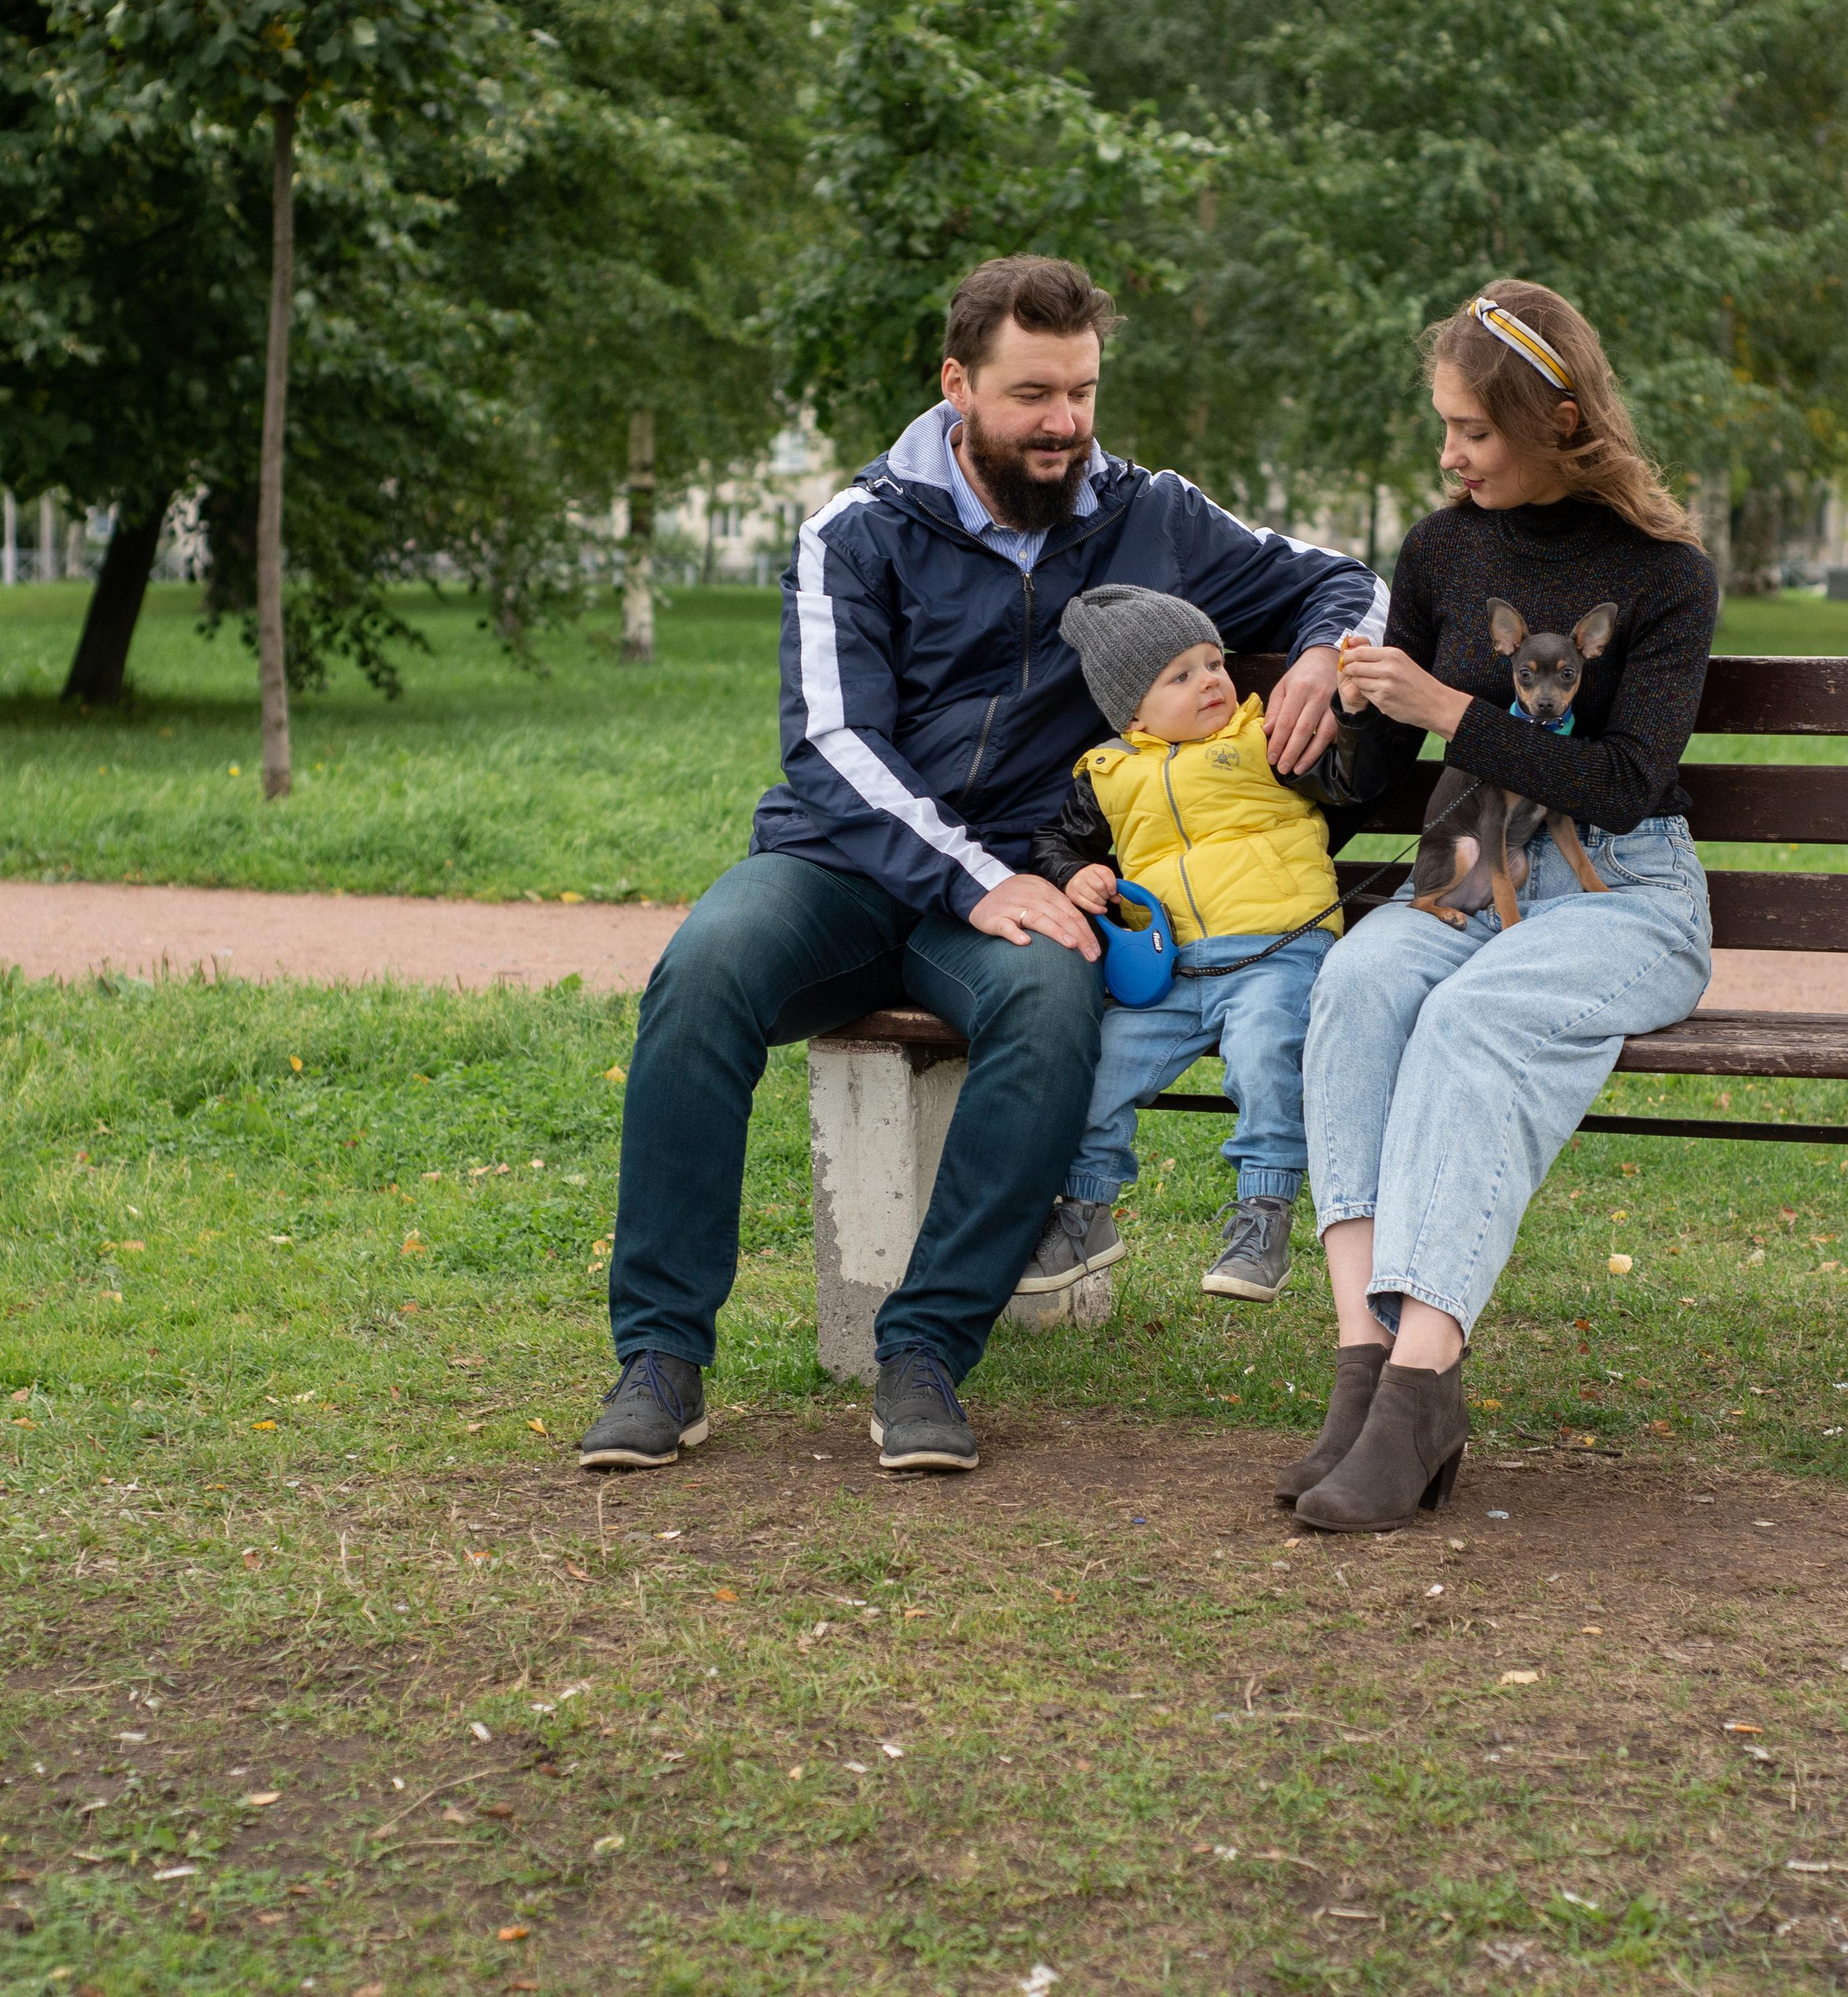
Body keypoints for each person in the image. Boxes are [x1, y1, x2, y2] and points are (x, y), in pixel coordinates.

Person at [581, 253, 1386, 1476]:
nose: (1064, 423)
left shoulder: (1154, 514)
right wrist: (970, 874)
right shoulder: (855, 534)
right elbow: (831, 743)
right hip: (843, 867)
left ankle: (926, 1351)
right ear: (957, 383)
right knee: (703, 973)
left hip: (1029, 882)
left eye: (1082, 390)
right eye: (1031, 395)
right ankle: (659, 1358)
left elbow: (1350, 578)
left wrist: (1326, 648)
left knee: (1054, 1003)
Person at [1278, 279, 1717, 1533]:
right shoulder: (1439, 548)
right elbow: (1376, 783)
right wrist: (1343, 706)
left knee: (1470, 1014)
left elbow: (1629, 782)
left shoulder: (1667, 572)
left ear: (1555, 418)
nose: (1449, 451)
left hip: (1622, 893)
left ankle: (1422, 1391)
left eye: (1473, 427)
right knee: (1360, 980)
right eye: (1445, 424)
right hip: (1467, 873)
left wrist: (1445, 706)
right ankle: (1361, 1370)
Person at [1021, 585, 1365, 1308]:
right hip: (1169, 970)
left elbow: (1349, 785)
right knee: (1099, 1070)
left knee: (1267, 1061)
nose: (1210, 680)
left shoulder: (1263, 739)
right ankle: (1085, 1214)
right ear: (1131, 712)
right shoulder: (1107, 773)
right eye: (1179, 675)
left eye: (1213, 663)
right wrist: (1076, 872)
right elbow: (1054, 841)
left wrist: (1352, 717)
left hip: (1278, 949)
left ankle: (1262, 1219)